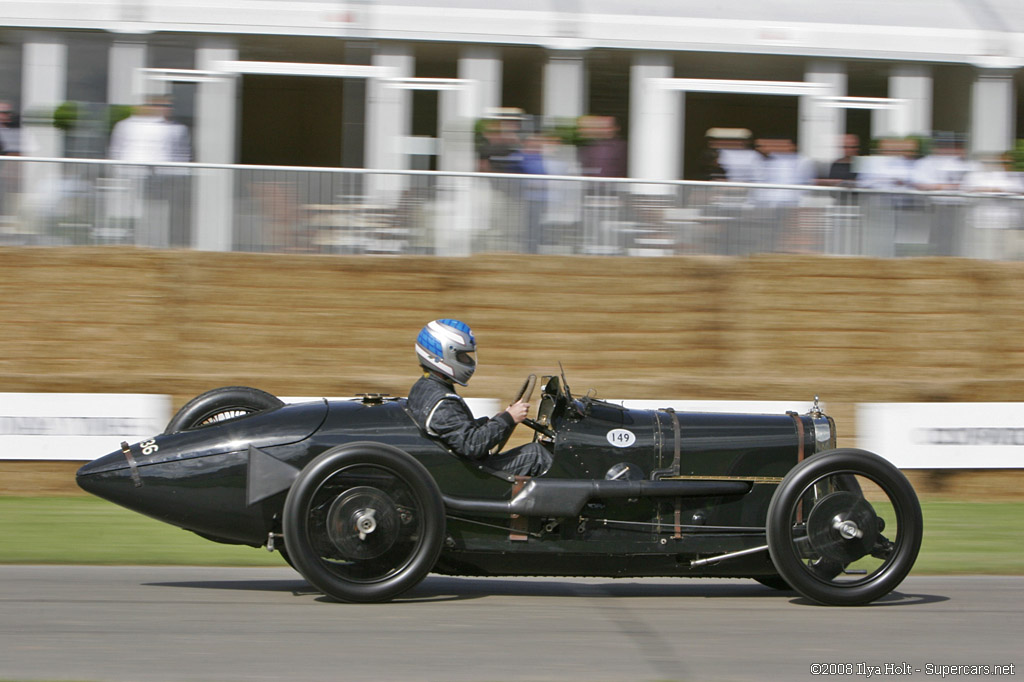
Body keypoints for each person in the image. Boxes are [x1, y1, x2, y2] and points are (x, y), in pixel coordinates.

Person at [407, 319, 553, 477]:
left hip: (460, 465)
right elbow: (472, 445)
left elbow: (458, 432)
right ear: (440, 356)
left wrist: (500, 419)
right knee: (536, 455)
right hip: (468, 474)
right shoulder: (443, 402)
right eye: (461, 356)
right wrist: (509, 418)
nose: (467, 361)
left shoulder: (424, 387)